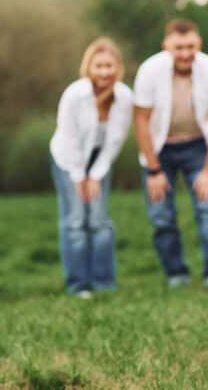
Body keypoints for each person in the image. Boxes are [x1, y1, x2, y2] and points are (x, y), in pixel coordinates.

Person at [133, 19, 208, 290]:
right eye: (179, 48)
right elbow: (141, 120)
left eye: (190, 46)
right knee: (162, 217)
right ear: (166, 46)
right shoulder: (149, 70)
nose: (186, 53)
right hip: (160, 149)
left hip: (199, 146)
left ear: (198, 43)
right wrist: (153, 170)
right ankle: (176, 273)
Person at [50, 37, 134, 298]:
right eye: (99, 66)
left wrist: (95, 175)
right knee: (75, 221)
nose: (105, 72)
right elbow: (70, 137)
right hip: (67, 159)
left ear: (118, 68)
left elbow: (115, 140)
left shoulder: (124, 97)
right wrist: (79, 176)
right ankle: (78, 285)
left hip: (100, 159)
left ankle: (104, 282)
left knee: (99, 220)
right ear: (89, 67)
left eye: (110, 66)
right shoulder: (75, 94)